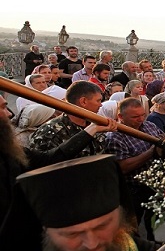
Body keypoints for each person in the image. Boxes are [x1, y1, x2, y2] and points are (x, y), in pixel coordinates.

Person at [0, 155, 160, 251]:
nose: (91, 243)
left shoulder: (125, 243)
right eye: (73, 234)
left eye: (101, 226)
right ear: (45, 232)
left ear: (119, 218)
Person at [0, 93, 117, 225]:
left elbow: (51, 158)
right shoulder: (50, 130)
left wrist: (91, 129)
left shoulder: (10, 149)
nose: (9, 114)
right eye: (2, 108)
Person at [105, 97, 164, 241]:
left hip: (154, 186)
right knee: (132, 229)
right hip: (133, 190)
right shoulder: (115, 137)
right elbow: (123, 167)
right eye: (135, 117)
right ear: (121, 117)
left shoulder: (149, 126)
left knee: (156, 226)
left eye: (142, 115)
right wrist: (151, 152)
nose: (140, 119)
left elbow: (161, 139)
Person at [29, 81, 115, 158]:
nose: (101, 105)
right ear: (83, 101)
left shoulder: (96, 126)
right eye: (98, 101)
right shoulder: (50, 132)